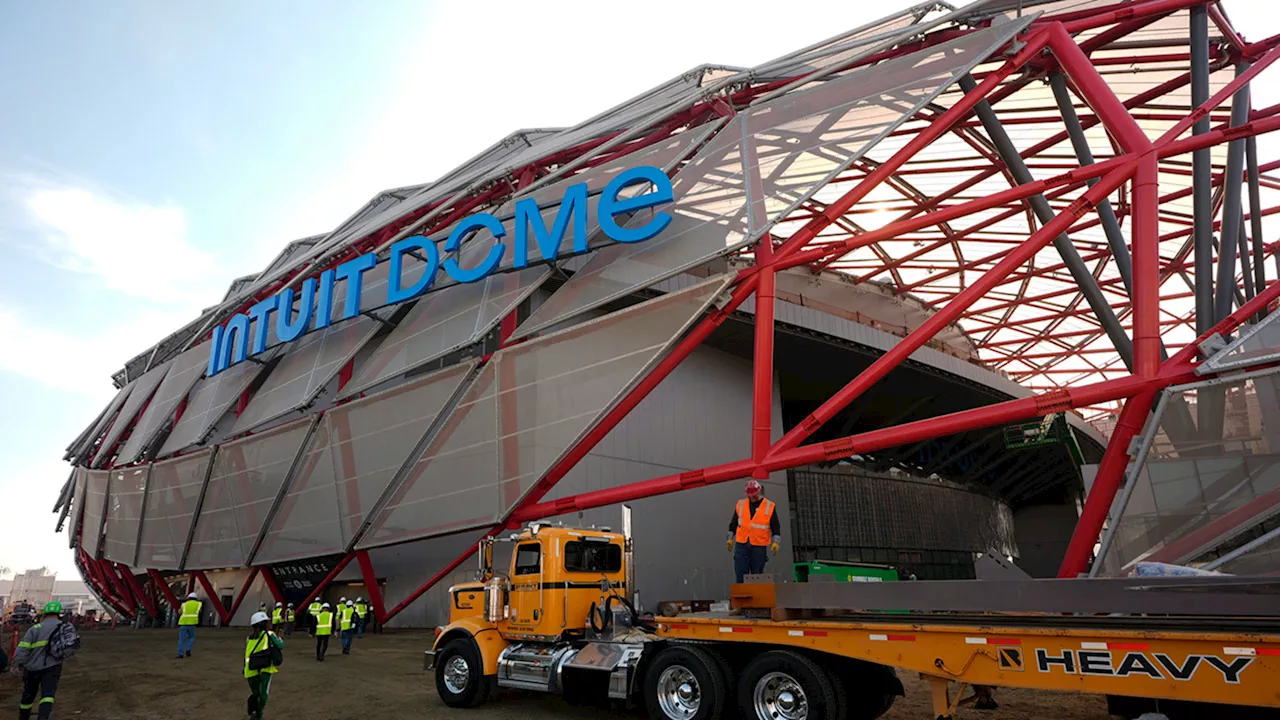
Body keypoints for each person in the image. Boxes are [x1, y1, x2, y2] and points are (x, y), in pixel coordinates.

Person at [12, 602, 71, 720]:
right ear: (59, 614)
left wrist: (17, 664)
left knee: (28, 696)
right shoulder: (64, 628)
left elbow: (22, 649)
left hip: (32, 667)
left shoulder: (35, 629)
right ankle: (43, 717)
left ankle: (23, 717)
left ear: (44, 614)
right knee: (48, 695)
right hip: (53, 666)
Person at [726, 479, 780, 583]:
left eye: (753, 494)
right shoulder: (741, 504)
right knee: (740, 573)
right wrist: (729, 539)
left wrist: (776, 542)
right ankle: (741, 596)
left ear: (759, 491)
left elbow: (775, 526)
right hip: (742, 544)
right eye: (750, 495)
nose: (752, 497)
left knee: (757, 576)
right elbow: (733, 524)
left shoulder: (769, 506)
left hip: (759, 545)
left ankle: (756, 598)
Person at [243, 611, 284, 720]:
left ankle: (252, 712)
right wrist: (280, 637)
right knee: (263, 693)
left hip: (250, 670)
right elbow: (280, 645)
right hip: (265, 668)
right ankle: (259, 715)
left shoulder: (249, 638)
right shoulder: (269, 634)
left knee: (255, 693)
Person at [178, 592, 201, 658]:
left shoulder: (184, 604)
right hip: (193, 623)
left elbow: (179, 612)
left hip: (183, 623)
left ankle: (180, 654)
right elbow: (199, 611)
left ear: (188, 598)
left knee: (181, 639)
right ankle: (188, 649)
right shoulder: (198, 604)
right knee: (191, 637)